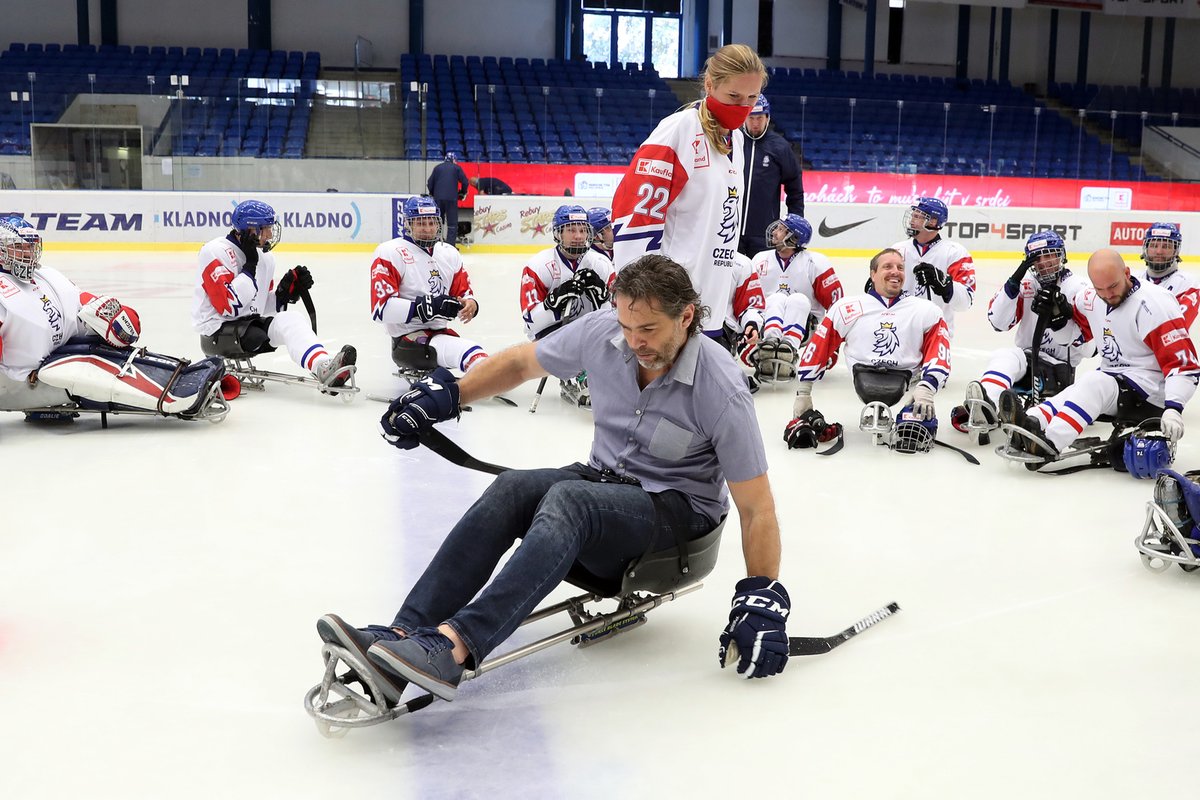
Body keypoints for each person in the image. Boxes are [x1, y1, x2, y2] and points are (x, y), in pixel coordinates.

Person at [318, 255, 789, 704]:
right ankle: (402, 637)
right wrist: (450, 397)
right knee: (514, 488)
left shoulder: (720, 386)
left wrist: (762, 594)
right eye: (627, 327)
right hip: (605, 488)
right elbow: (524, 362)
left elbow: (756, 507)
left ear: (687, 316)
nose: (634, 341)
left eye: (648, 329)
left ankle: (453, 648)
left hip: (677, 524)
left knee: (569, 500)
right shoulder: (605, 333)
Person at [611, 43, 766, 339]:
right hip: (669, 304)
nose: (742, 107)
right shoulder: (680, 129)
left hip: (712, 301)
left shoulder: (737, 139)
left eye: (752, 98)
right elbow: (633, 211)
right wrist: (640, 292)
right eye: (733, 96)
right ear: (710, 84)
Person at [0, 217, 223, 419]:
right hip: (29, 378)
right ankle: (174, 394)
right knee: (91, 362)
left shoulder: (45, 274)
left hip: (62, 353)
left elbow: (79, 299)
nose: (29, 253)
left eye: (31, 246)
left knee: (102, 352)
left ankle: (181, 375)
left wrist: (109, 313)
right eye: (19, 247)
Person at [998, 248, 1199, 462]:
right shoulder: (1091, 299)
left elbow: (1184, 365)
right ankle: (1030, 422)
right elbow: (1073, 338)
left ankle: (1048, 443)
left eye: (1113, 286)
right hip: (1114, 378)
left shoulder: (1155, 305)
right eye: (1100, 289)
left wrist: (1174, 407)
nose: (1108, 295)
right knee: (1079, 388)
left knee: (1095, 382)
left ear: (1127, 272)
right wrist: (1058, 318)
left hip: (1150, 393)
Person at [785, 248, 950, 453]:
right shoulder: (847, 307)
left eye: (900, 267)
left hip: (908, 378)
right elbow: (819, 347)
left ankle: (911, 407)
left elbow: (939, 351)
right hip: (863, 373)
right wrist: (803, 392)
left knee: (915, 432)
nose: (895, 271)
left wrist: (928, 385)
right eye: (887, 266)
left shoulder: (926, 310)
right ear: (873, 274)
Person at [192, 199, 356, 389]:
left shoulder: (265, 257)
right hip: (217, 331)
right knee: (255, 334)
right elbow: (229, 308)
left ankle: (323, 368)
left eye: (271, 227)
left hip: (247, 326)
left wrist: (283, 294)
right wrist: (249, 267)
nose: (270, 234)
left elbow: (257, 307)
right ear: (248, 230)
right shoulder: (215, 252)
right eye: (265, 228)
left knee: (291, 319)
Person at [950, 231, 1094, 445]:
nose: (1044, 262)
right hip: (1025, 361)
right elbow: (998, 322)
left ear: (1062, 255)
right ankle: (985, 405)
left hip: (1059, 367)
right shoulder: (1026, 284)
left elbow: (1091, 347)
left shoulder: (1080, 289)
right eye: (1037, 257)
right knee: (1005, 354)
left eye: (1050, 255)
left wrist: (1065, 317)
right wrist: (1013, 282)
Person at [369, 195, 487, 376]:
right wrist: (426, 306)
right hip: (408, 338)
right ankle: (488, 380)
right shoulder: (390, 252)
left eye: (431, 223)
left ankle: (492, 376)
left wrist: (471, 304)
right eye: (420, 223)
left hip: (440, 335)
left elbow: (463, 292)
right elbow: (381, 310)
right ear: (408, 224)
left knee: (481, 357)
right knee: (473, 355)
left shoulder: (448, 253)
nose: (427, 229)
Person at [520, 205, 616, 406]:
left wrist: (602, 297)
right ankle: (573, 376)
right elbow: (531, 323)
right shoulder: (538, 265)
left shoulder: (601, 263)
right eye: (571, 230)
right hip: (554, 335)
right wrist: (554, 303)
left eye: (582, 230)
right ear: (558, 233)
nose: (578, 236)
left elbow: (618, 317)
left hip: (590, 332)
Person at [750, 214, 843, 380]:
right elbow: (749, 301)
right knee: (776, 299)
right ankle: (768, 346)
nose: (774, 232)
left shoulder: (816, 263)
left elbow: (837, 307)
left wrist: (830, 348)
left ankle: (788, 349)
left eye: (781, 229)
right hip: (766, 321)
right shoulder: (759, 259)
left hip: (806, 326)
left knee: (798, 300)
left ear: (794, 238)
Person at [887, 197, 975, 337]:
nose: (911, 221)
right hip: (899, 331)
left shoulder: (955, 253)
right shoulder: (897, 250)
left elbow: (965, 302)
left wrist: (944, 284)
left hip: (936, 334)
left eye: (917, 216)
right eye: (913, 216)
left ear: (933, 221)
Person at [737, 95, 804, 259]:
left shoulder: (780, 147)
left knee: (761, 282)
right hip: (731, 231)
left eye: (759, 118)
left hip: (764, 234)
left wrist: (795, 227)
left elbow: (795, 191)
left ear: (767, 117)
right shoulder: (733, 141)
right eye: (751, 117)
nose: (755, 123)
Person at [1138, 223, 1197, 328]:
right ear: (1146, 248)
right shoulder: (1134, 279)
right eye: (1154, 245)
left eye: (1166, 246)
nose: (1159, 251)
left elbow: (1176, 327)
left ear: (1176, 251)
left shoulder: (1188, 284)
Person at [427, 152, 468, 247]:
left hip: (438, 199)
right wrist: (462, 192)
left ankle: (436, 244)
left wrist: (433, 193)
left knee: (437, 221)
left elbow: (429, 182)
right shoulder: (456, 168)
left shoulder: (437, 168)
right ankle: (450, 246)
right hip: (451, 199)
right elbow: (465, 182)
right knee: (452, 224)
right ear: (454, 160)